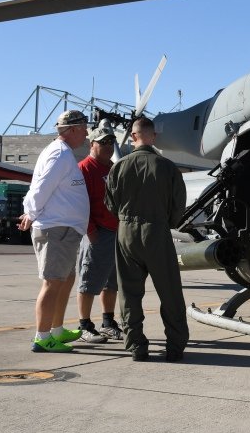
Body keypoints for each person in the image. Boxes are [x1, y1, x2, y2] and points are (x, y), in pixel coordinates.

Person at [104, 117, 188, 362]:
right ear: (153, 137)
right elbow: (178, 206)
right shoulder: (167, 167)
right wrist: (166, 223)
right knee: (170, 291)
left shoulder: (118, 167)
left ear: (133, 136)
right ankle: (174, 348)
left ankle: (137, 346)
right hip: (157, 230)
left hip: (126, 232)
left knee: (129, 293)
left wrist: (126, 219)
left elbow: (110, 203)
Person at [19, 109, 90, 353]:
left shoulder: (63, 153)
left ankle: (57, 330)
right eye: (82, 128)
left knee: (65, 279)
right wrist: (31, 212)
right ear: (70, 130)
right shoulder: (59, 154)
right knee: (52, 282)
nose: (86, 133)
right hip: (55, 229)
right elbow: (41, 187)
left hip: (64, 229)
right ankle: (42, 336)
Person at [74, 126, 124, 343]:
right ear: (91, 144)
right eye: (102, 142)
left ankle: (108, 323)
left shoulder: (113, 168)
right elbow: (78, 204)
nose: (107, 146)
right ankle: (84, 325)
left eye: (110, 142)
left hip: (116, 232)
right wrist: (91, 231)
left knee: (111, 282)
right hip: (97, 233)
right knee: (89, 281)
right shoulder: (84, 169)